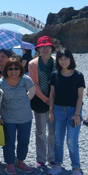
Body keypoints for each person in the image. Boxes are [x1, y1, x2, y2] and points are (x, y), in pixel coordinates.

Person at [48, 48, 85, 175]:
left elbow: (80, 96)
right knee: (58, 140)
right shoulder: (54, 75)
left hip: (73, 111)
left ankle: (76, 168)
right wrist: (51, 111)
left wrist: (76, 114)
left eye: (66, 58)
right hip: (57, 109)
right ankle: (57, 165)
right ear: (57, 60)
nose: (63, 61)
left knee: (72, 140)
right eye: (61, 59)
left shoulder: (78, 75)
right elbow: (52, 95)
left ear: (71, 59)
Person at [0, 57, 37, 175]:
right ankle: (10, 164)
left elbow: (32, 91)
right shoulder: (1, 82)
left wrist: (25, 100)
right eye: (10, 68)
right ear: (6, 70)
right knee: (9, 141)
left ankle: (21, 162)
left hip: (25, 117)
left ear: (20, 69)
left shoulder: (25, 80)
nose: (13, 71)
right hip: (8, 117)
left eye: (16, 68)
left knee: (24, 141)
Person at [27, 36, 57, 168]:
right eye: (42, 47)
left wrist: (53, 99)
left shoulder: (57, 61)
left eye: (47, 46)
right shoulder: (32, 64)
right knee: (40, 131)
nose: (45, 49)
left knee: (53, 131)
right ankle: (40, 158)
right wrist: (46, 99)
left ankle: (52, 156)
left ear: (52, 48)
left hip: (56, 100)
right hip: (39, 100)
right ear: (38, 49)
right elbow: (34, 83)